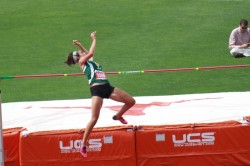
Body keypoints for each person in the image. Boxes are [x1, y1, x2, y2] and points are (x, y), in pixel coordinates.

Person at [64, 31, 136, 158]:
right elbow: (90, 52)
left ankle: (118, 116)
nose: (83, 53)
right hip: (97, 90)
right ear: (79, 58)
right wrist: (94, 39)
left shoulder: (89, 62)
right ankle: (83, 144)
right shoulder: (82, 63)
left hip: (107, 87)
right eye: (81, 53)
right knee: (94, 118)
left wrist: (79, 45)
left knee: (131, 101)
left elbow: (87, 53)